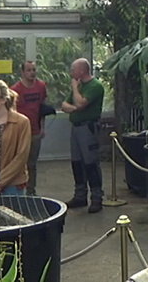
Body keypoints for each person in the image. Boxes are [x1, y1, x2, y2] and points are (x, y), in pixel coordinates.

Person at [61, 58, 105, 213]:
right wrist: (75, 108)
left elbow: (80, 103)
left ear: (81, 70)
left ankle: (96, 198)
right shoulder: (80, 87)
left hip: (88, 128)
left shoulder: (95, 86)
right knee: (77, 163)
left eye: (73, 69)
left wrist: (74, 89)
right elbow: (64, 105)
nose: (71, 73)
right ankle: (80, 196)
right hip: (76, 127)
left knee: (91, 163)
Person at [11, 60, 48, 195]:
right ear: (22, 72)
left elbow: (42, 108)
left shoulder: (41, 86)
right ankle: (18, 190)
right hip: (20, 132)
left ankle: (31, 191)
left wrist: (42, 127)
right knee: (19, 162)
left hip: (35, 130)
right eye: (29, 70)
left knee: (32, 163)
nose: (32, 73)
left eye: (34, 70)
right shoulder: (15, 90)